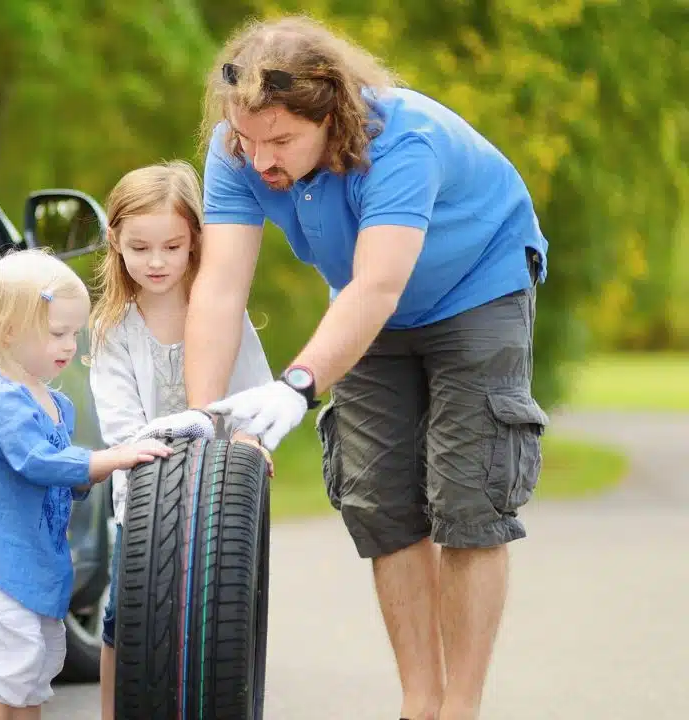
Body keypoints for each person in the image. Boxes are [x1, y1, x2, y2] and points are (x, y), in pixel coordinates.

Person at [156, 15, 550, 720]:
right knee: (378, 502)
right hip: (370, 309)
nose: (261, 159)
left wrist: (299, 383)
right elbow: (218, 288)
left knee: (467, 499)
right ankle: (418, 703)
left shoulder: (402, 142)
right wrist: (204, 412)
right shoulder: (237, 153)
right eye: (248, 139)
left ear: (331, 115)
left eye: (281, 141)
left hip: (478, 286)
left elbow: (377, 285)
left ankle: (459, 709)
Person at [0, 249, 174, 720]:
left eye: (74, 334)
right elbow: (36, 460)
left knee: (35, 674)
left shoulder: (55, 404)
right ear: (9, 331)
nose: (70, 345)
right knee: (7, 671)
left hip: (33, 565)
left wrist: (86, 476)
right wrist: (104, 460)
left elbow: (58, 479)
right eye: (57, 334)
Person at [84, 160, 273, 718]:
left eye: (172, 246)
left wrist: (249, 441)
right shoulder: (113, 328)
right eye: (140, 248)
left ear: (196, 242)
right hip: (142, 505)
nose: (157, 261)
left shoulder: (220, 313)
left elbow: (252, 400)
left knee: (222, 620)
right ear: (115, 242)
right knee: (127, 620)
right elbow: (122, 428)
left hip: (219, 505)